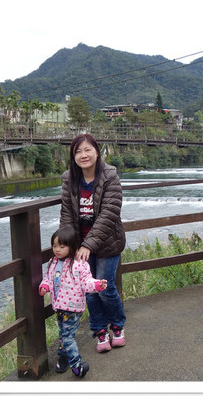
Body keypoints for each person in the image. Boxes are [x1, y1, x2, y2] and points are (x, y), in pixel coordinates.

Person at [60, 134, 127, 353]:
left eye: (87, 149)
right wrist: (67, 244)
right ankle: (99, 331)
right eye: (78, 151)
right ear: (73, 156)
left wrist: (88, 245)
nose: (83, 155)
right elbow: (66, 214)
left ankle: (117, 326)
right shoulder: (69, 179)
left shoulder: (110, 176)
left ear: (97, 152)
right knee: (89, 291)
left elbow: (109, 213)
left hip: (107, 242)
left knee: (105, 289)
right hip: (80, 247)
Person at [39, 227, 107, 378]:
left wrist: (97, 285)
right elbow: (48, 279)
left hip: (73, 309)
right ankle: (63, 357)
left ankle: (76, 366)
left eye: (62, 246)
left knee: (68, 337)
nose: (57, 249)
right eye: (54, 246)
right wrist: (44, 287)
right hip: (58, 307)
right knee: (63, 333)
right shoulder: (52, 262)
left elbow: (86, 282)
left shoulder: (79, 264)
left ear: (72, 246)